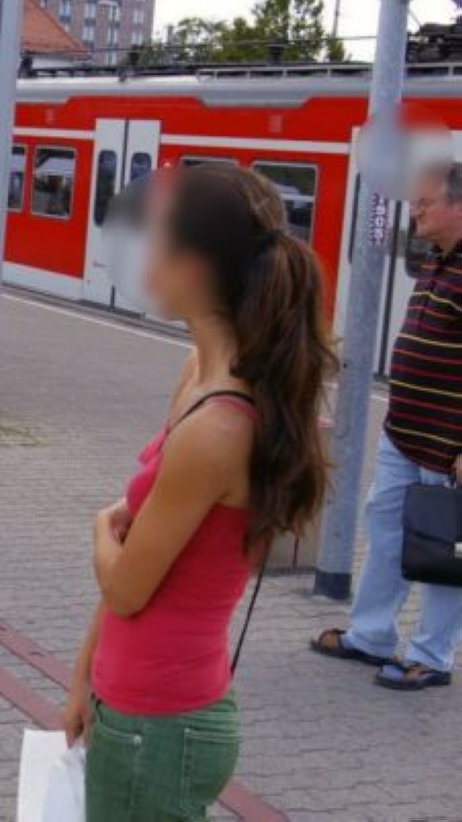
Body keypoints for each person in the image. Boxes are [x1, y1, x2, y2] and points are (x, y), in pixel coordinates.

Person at [59, 165, 336, 820]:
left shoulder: (219, 426)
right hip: (137, 706)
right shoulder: (198, 377)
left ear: (191, 266)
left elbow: (126, 586)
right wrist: (83, 678)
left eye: (154, 236)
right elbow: (139, 556)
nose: (142, 252)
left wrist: (100, 523)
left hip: (158, 726)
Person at [311, 161, 462, 691]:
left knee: (445, 550)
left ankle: (432, 656)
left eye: (425, 202)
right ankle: (372, 636)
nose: (414, 211)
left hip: (448, 447)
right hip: (404, 434)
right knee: (386, 534)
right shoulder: (438, 260)